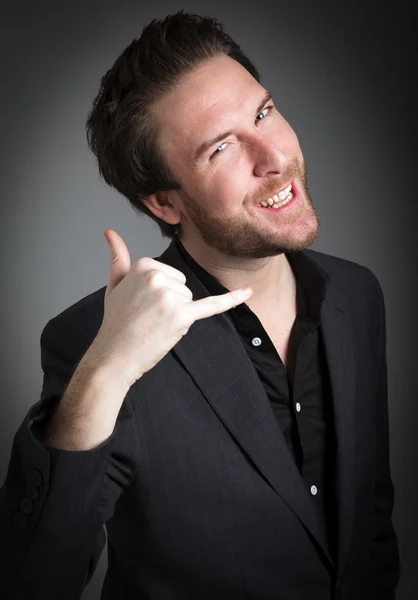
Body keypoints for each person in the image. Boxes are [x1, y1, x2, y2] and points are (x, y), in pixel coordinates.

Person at [0, 10, 400, 600]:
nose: (274, 157)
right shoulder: (97, 341)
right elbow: (34, 581)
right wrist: (106, 372)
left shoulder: (357, 295)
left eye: (263, 112)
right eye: (221, 149)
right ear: (164, 203)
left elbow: (368, 530)